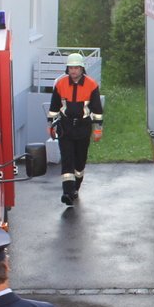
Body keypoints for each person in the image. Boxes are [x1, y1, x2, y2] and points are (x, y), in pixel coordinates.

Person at [48, 53, 103, 206]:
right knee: (67, 160)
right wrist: (50, 125)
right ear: (67, 69)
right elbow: (54, 107)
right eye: (71, 68)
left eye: (76, 68)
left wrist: (98, 129)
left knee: (79, 163)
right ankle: (67, 192)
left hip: (83, 127)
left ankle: (75, 188)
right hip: (65, 127)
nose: (73, 70)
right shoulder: (60, 84)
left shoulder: (91, 85)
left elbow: (97, 110)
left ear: (82, 69)